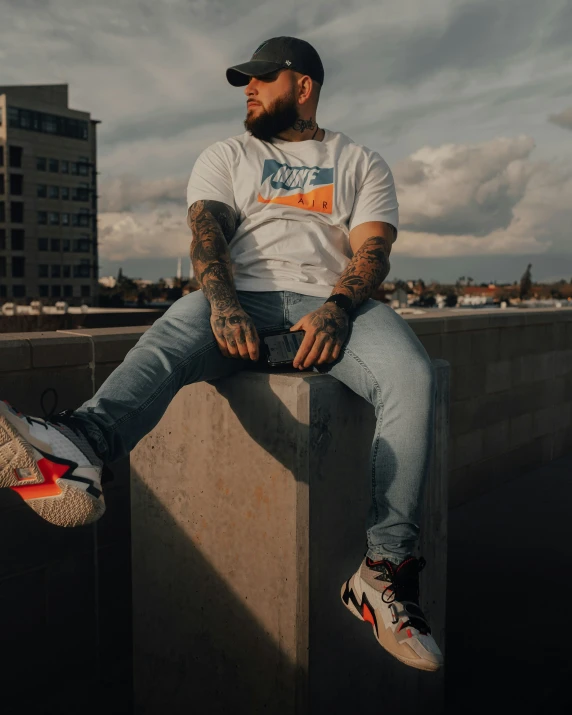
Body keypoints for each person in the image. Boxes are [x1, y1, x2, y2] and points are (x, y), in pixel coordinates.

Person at [0, 36, 442, 672]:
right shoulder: (227, 154)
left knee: (413, 376)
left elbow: (371, 251)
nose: (249, 89)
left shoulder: (360, 162)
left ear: (305, 85)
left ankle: (384, 572)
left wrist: (339, 309)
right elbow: (206, 236)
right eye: (246, 80)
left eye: (264, 78)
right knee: (175, 330)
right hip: (244, 299)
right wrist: (223, 303)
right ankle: (80, 449)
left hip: (331, 306)